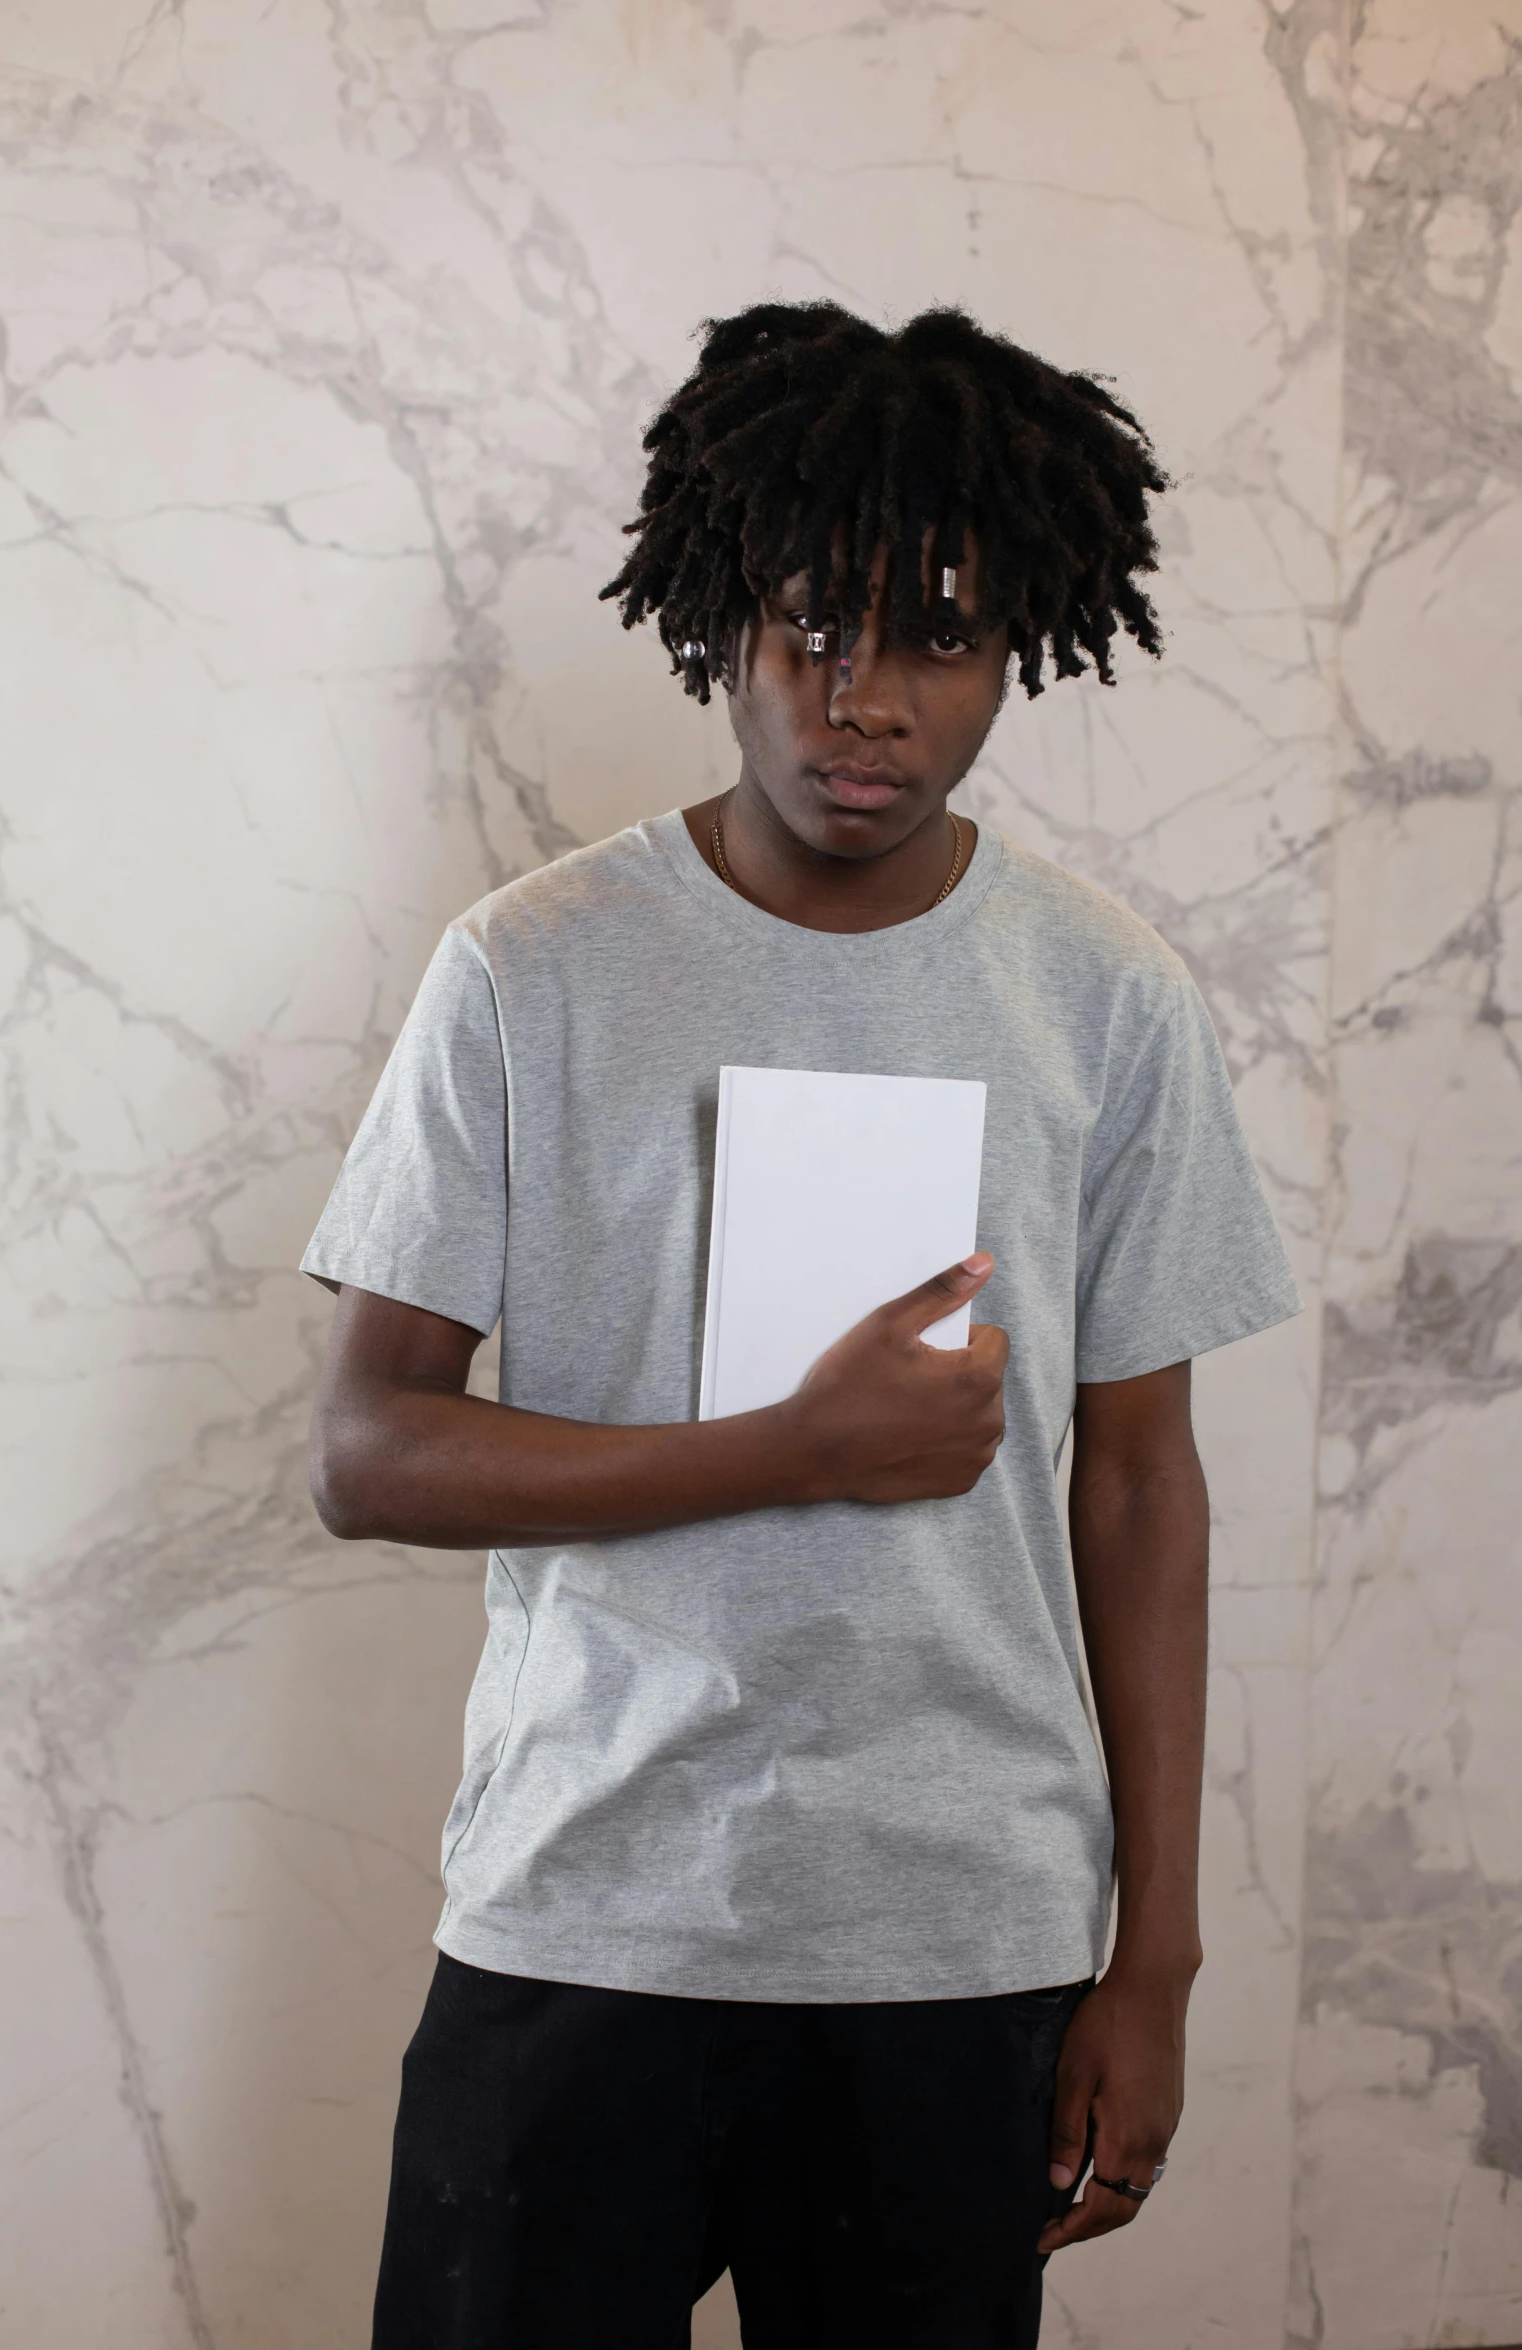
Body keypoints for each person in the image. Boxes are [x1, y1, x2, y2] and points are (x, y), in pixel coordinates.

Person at [302, 301, 1299, 2350]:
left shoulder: (1102, 1003)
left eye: (934, 636)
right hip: (590, 1907)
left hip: (960, 1944)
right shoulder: (530, 971)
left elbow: (1138, 1486)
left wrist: (1160, 1959)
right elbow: (367, 1449)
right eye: (806, 629)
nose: (864, 701)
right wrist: (794, 1446)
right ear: (715, 623)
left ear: (1020, 641)